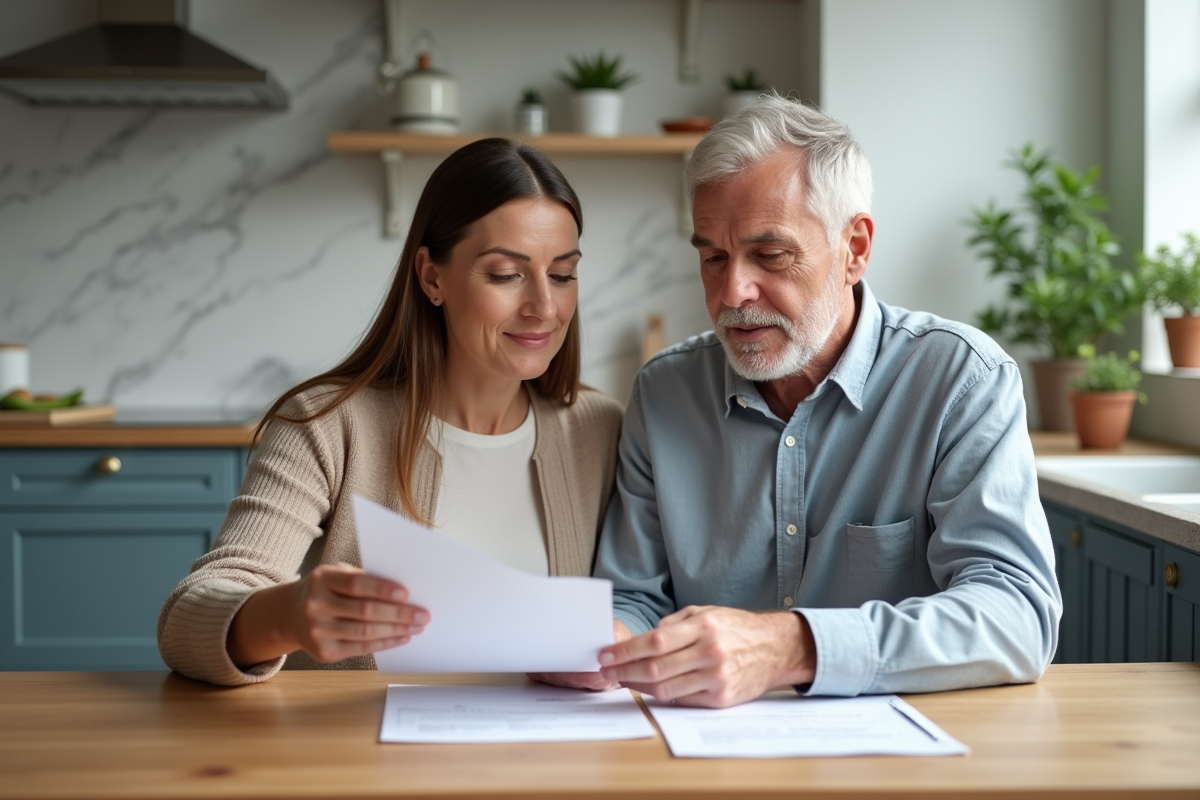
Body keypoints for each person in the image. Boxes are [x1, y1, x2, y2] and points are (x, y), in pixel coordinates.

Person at [537, 94, 1061, 707]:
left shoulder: (958, 380)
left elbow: (1017, 615)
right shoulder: (665, 392)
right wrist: (607, 641)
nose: (733, 291)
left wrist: (790, 647)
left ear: (854, 249)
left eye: (771, 255)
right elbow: (635, 596)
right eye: (713, 256)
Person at [158, 138, 623, 686]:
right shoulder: (327, 426)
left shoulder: (602, 430)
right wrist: (289, 615)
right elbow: (185, 620)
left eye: (563, 274)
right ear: (432, 277)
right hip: (365, 764)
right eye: (505, 274)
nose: (545, 306)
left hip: (547, 764)